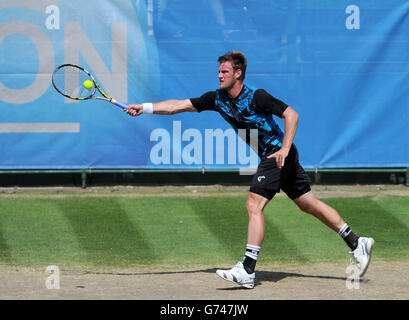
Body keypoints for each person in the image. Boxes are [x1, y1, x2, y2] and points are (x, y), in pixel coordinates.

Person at [126, 51, 374, 289]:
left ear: (238, 74)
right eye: (219, 72)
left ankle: (247, 269)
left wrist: (285, 149)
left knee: (253, 205)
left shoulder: (258, 96)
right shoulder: (217, 99)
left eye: (224, 72)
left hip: (277, 155)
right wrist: (144, 107)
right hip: (277, 156)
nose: (219, 76)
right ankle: (356, 241)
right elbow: (178, 106)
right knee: (308, 204)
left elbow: (292, 115)